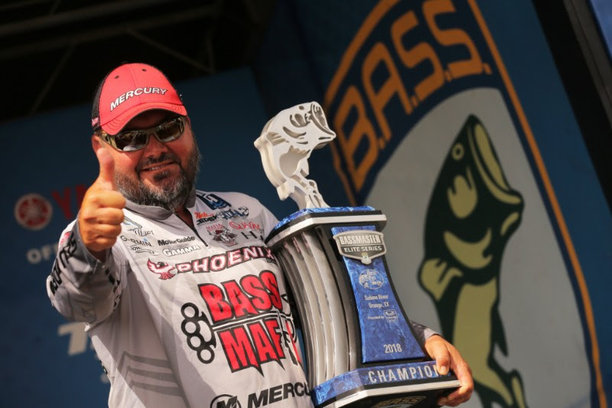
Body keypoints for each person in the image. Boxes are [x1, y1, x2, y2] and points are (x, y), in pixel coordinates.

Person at [46, 62, 473, 408]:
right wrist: (89, 245)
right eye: (133, 138)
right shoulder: (102, 236)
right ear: (102, 149)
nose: (156, 147)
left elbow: (323, 302)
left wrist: (419, 340)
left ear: (189, 128)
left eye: (169, 129)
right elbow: (77, 298)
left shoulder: (245, 210)